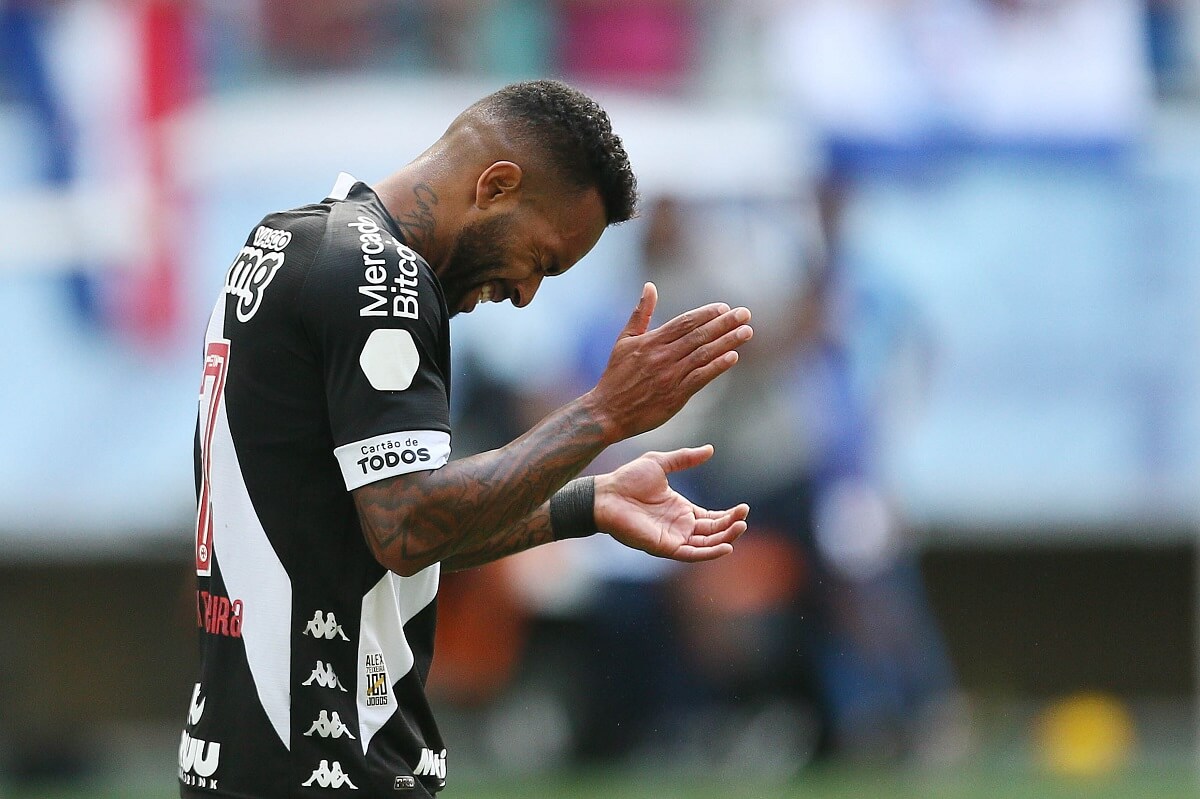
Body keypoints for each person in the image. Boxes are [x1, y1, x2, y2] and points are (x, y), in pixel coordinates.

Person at [180, 79, 753, 798]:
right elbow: (408, 526)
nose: (526, 293)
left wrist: (588, 502)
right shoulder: (381, 278)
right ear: (497, 186)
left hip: (243, 758)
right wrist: (603, 414)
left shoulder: (290, 240)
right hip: (327, 763)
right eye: (540, 259)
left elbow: (379, 530)